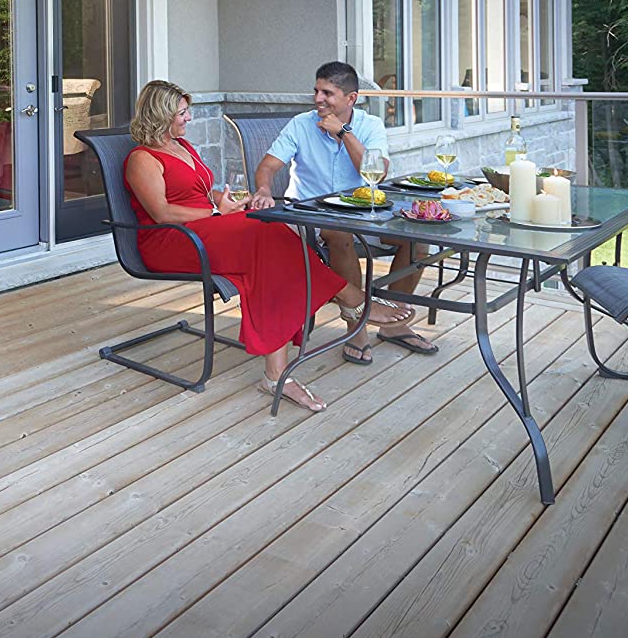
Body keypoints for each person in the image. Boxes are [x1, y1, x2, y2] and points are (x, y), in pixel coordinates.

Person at [124, 80, 410, 413]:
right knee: (266, 237)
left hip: (206, 228)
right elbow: (161, 212)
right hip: (173, 241)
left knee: (271, 246)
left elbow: (201, 192)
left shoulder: (182, 146)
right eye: (182, 113)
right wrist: (217, 212)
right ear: (160, 114)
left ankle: (277, 375)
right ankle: (351, 299)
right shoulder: (142, 158)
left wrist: (230, 200)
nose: (188, 118)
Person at [249, 61, 437, 364]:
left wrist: (344, 132)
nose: (318, 99)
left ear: (351, 99)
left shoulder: (370, 125)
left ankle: (394, 324)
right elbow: (268, 167)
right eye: (316, 91)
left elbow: (376, 171)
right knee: (339, 234)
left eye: (327, 93)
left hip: (363, 214)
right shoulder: (301, 124)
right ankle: (356, 328)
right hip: (310, 217)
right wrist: (263, 190)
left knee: (417, 238)